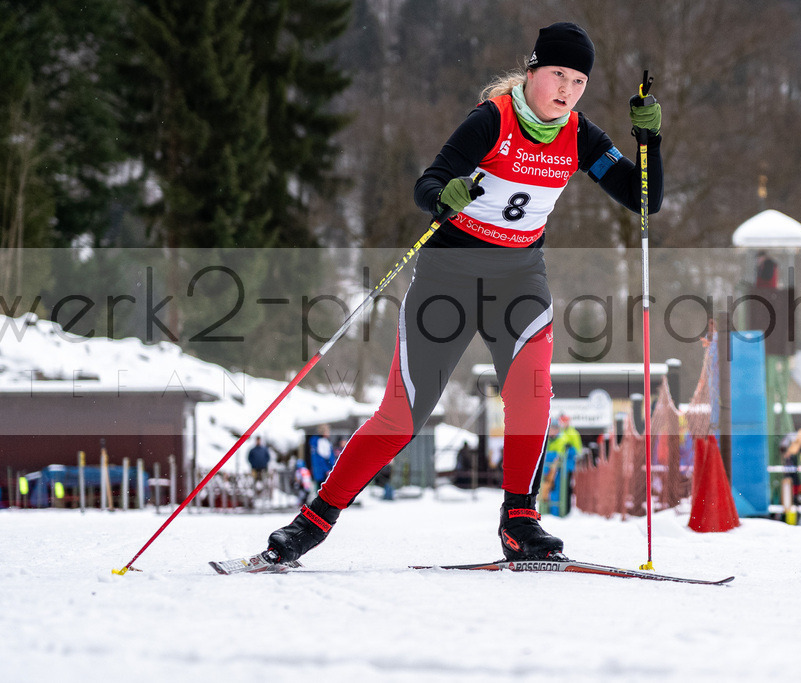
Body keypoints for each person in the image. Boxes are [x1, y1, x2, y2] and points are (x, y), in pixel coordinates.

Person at [267, 22, 664, 564]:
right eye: (557, 76)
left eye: (578, 81)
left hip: (518, 280)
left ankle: (520, 522)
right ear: (532, 71)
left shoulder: (580, 136)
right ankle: (313, 520)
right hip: (447, 278)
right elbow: (428, 183)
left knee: (532, 394)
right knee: (401, 418)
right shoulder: (492, 119)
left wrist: (649, 143)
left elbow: (645, 200)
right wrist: (443, 196)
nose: (567, 90)